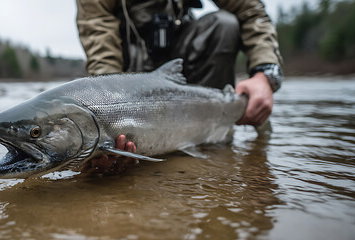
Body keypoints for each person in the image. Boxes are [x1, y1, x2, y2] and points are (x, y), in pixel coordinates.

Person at [76, 0, 284, 174]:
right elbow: (99, 43)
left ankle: (213, 137)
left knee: (224, 25)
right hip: (127, 76)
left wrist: (265, 75)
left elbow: (250, 9)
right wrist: (106, 123)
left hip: (185, 60)